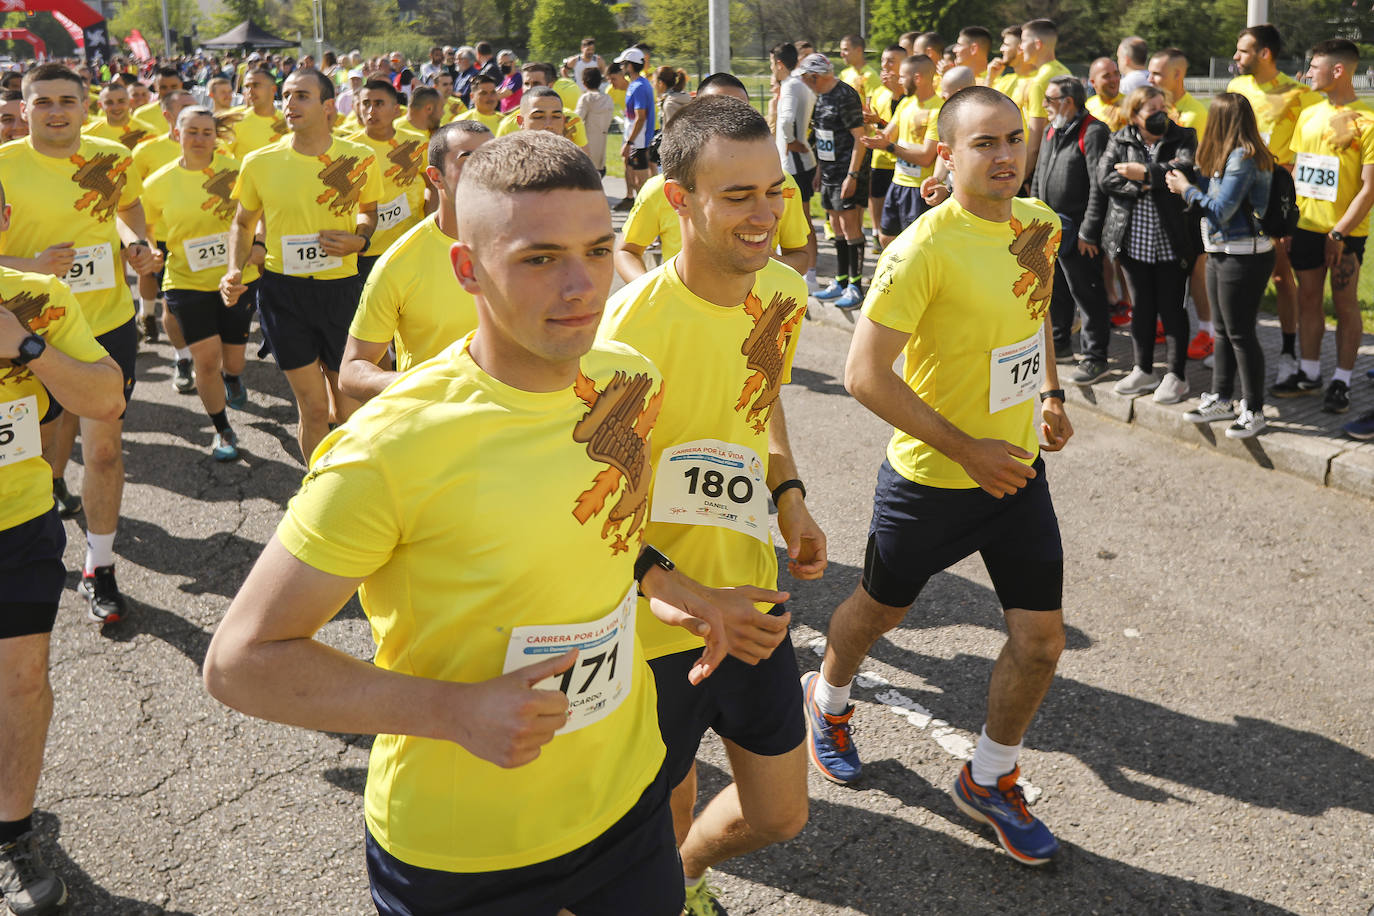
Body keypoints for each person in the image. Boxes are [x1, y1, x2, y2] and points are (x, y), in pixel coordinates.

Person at [204, 130, 764, 916]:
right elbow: (239, 660)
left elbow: (597, 524)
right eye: (539, 259)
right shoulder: (390, 445)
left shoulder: (629, 379)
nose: (583, 287)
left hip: (626, 799)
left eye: (599, 250)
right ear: (467, 268)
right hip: (464, 846)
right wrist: (452, 711)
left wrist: (669, 586)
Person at [804, 86, 1072, 868]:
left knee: (1041, 641)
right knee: (877, 614)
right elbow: (863, 374)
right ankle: (828, 699)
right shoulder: (920, 248)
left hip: (1016, 473)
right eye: (984, 143)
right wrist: (966, 450)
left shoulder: (1039, 225)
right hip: (932, 480)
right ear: (945, 155)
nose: (1005, 155)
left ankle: (987, 779)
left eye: (1014, 139)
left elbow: (1036, 309)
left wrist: (1050, 394)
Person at [599, 95, 822, 916]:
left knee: (779, 813)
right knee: (655, 813)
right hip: (656, 628)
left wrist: (789, 496)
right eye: (738, 197)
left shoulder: (784, 295)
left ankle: (687, 875)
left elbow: (758, 405)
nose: (766, 215)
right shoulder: (625, 334)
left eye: (776, 190)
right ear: (678, 201)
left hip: (753, 604)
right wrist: (688, 598)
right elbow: (588, 514)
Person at [0, 193, 125, 916]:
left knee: (19, 681)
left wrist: (26, 345)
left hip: (16, 525)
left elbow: (107, 398)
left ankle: (12, 832)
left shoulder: (37, 298)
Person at [0, 63, 159, 624]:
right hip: (26, 333)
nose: (56, 111)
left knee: (107, 449)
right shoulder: (3, 167)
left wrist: (139, 243)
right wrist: (32, 267)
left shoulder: (112, 156)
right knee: (40, 454)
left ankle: (101, 565)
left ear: (85, 106)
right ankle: (36, 548)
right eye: (42, 102)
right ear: (24, 110)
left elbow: (128, 211)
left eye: (67, 100)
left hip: (104, 323)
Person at [220, 68, 382, 463]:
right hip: (283, 294)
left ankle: (349, 482)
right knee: (311, 407)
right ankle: (317, 486)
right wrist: (233, 270)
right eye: (287, 95)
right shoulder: (260, 162)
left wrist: (359, 239)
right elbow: (242, 223)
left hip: (341, 292)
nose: (290, 103)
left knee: (347, 409)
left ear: (329, 106)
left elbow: (369, 213)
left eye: (302, 96)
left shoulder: (359, 158)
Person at [143, 106, 263, 460]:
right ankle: (222, 429)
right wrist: (150, 250)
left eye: (206, 132)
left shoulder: (236, 171)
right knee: (206, 361)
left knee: (234, 360)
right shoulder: (157, 184)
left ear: (216, 136)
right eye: (191, 131)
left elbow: (260, 212)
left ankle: (234, 378)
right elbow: (148, 228)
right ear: (176, 134)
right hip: (185, 281)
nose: (199, 138)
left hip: (239, 276)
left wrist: (258, 243)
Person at [340, 121, 491, 404]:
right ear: (435, 177)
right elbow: (352, 370)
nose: (486, 166)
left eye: (492, 155)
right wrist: (420, 385)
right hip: (436, 424)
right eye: (468, 158)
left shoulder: (527, 242)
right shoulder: (399, 262)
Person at [616, 75, 811, 282]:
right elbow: (626, 251)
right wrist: (654, 295)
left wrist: (770, 264)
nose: (728, 121)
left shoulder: (783, 184)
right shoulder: (660, 188)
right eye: (736, 198)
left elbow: (800, 256)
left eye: (739, 111)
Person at [1165, 93, 1275, 439]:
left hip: (1244, 254)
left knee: (1241, 333)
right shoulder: (1228, 155)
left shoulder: (1243, 156)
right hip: (1222, 250)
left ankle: (1254, 409)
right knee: (1225, 331)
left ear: (1220, 120)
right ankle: (1222, 398)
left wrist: (1185, 189)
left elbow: (1222, 209)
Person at [1274, 39, 1374, 416]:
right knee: (1309, 299)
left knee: (1345, 305)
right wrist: (1289, 222)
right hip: (1305, 228)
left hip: (1346, 233)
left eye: (1313, 67)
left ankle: (1342, 380)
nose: (1306, 73)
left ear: (1337, 71)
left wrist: (1339, 233)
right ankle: (1310, 372)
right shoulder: (1309, 114)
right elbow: (1300, 172)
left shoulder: (1367, 122)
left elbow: (1370, 187)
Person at [1228, 24, 1322, 388]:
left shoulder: (1299, 94)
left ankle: (1287, 353)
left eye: (1242, 51)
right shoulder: (1237, 88)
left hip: (1275, 201)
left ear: (1264, 53)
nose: (1236, 57)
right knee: (1239, 278)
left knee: (1283, 277)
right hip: (1238, 199)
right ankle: (1237, 350)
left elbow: (1310, 153)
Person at [1101, 86, 1199, 404]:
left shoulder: (1183, 136)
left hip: (1172, 240)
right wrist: (1154, 182)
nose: (1160, 115)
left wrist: (1142, 174)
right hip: (1134, 241)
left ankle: (1177, 375)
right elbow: (1106, 178)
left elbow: (1184, 170)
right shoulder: (1120, 138)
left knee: (1172, 308)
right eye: (1151, 110)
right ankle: (1143, 369)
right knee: (1141, 307)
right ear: (1134, 115)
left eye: (1162, 107)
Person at [1031, 76, 1112, 383]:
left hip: (1079, 231)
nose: (1044, 106)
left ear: (1067, 102)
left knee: (1087, 293)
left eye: (1049, 100)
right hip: (1052, 228)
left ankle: (1095, 357)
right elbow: (1040, 173)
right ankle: (1060, 343)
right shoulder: (1053, 128)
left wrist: (1089, 232)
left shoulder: (1093, 131)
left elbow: (1098, 185)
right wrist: (1038, 219)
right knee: (1056, 290)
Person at [1149, 47, 1216, 362]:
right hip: (1164, 203)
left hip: (1190, 206)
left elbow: (1199, 166)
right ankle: (1169, 322)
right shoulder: (1158, 109)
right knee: (1168, 272)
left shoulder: (1194, 114)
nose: (1151, 79)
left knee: (1197, 273)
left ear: (1178, 75)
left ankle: (1207, 331)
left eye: (1157, 73)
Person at [800, 53, 869, 309]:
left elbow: (859, 139)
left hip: (846, 172)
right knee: (836, 226)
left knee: (850, 226)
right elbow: (821, 135)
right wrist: (819, 170)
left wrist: (852, 175)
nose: (805, 83)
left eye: (807, 78)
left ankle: (855, 285)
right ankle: (840, 281)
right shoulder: (819, 98)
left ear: (815, 76)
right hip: (828, 172)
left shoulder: (845, 95)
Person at [349, 80, 429, 283]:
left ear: (396, 110)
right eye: (366, 103)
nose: (371, 110)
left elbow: (434, 186)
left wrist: (430, 222)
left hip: (408, 243)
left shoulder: (418, 141)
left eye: (379, 104)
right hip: (365, 249)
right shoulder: (348, 149)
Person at [864, 54, 940, 247]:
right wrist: (875, 134)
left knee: (917, 245)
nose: (899, 81)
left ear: (918, 78)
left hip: (920, 189)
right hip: (898, 183)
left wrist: (888, 147)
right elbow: (888, 134)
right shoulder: (906, 103)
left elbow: (926, 157)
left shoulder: (938, 110)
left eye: (902, 77)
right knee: (886, 237)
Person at [771, 42, 819, 288]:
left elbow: (787, 119)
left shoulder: (790, 86)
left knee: (801, 221)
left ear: (779, 64)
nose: (772, 70)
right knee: (801, 221)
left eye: (771, 65)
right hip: (800, 161)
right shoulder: (799, 85)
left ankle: (809, 275)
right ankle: (807, 273)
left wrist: (790, 142)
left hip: (794, 164)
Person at [1014, 19, 1070, 180]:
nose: (1020, 46)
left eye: (1024, 41)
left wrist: (1022, 177)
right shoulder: (1064, 71)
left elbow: (1035, 139)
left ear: (1037, 44)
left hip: (1038, 166)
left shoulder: (1040, 81)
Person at [864, 45, 907, 255]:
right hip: (880, 157)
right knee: (877, 195)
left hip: (901, 159)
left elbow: (898, 127)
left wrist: (896, 92)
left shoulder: (907, 92)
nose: (885, 65)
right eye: (883, 60)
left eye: (891, 60)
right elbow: (880, 126)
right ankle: (876, 232)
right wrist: (871, 121)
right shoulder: (878, 90)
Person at [618, 48, 656, 209]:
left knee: (641, 182)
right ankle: (633, 202)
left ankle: (648, 212)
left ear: (630, 66)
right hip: (634, 139)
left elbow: (641, 117)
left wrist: (630, 142)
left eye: (623, 64)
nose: (621, 67)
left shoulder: (639, 86)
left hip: (638, 141)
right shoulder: (635, 84)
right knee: (631, 172)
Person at [227, 68, 288, 159]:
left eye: (256, 85)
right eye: (247, 87)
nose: (250, 91)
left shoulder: (288, 122)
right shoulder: (235, 121)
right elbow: (221, 157)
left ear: (273, 89)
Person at [82, 80, 155, 149]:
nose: (116, 107)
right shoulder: (86, 133)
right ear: (100, 105)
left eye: (121, 101)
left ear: (130, 102)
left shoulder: (148, 132)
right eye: (109, 103)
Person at [576, 67, 614, 176]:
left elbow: (577, 119)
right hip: (602, 142)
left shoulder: (586, 98)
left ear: (584, 82)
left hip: (585, 143)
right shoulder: (608, 99)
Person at [1086, 57, 1125, 131]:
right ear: (1093, 82)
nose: (1113, 79)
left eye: (1116, 74)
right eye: (1107, 76)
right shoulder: (1087, 108)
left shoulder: (1132, 105)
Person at [839, 34, 878, 101]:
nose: (841, 54)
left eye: (845, 50)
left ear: (858, 50)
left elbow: (872, 107)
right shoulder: (843, 74)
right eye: (841, 50)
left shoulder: (870, 75)